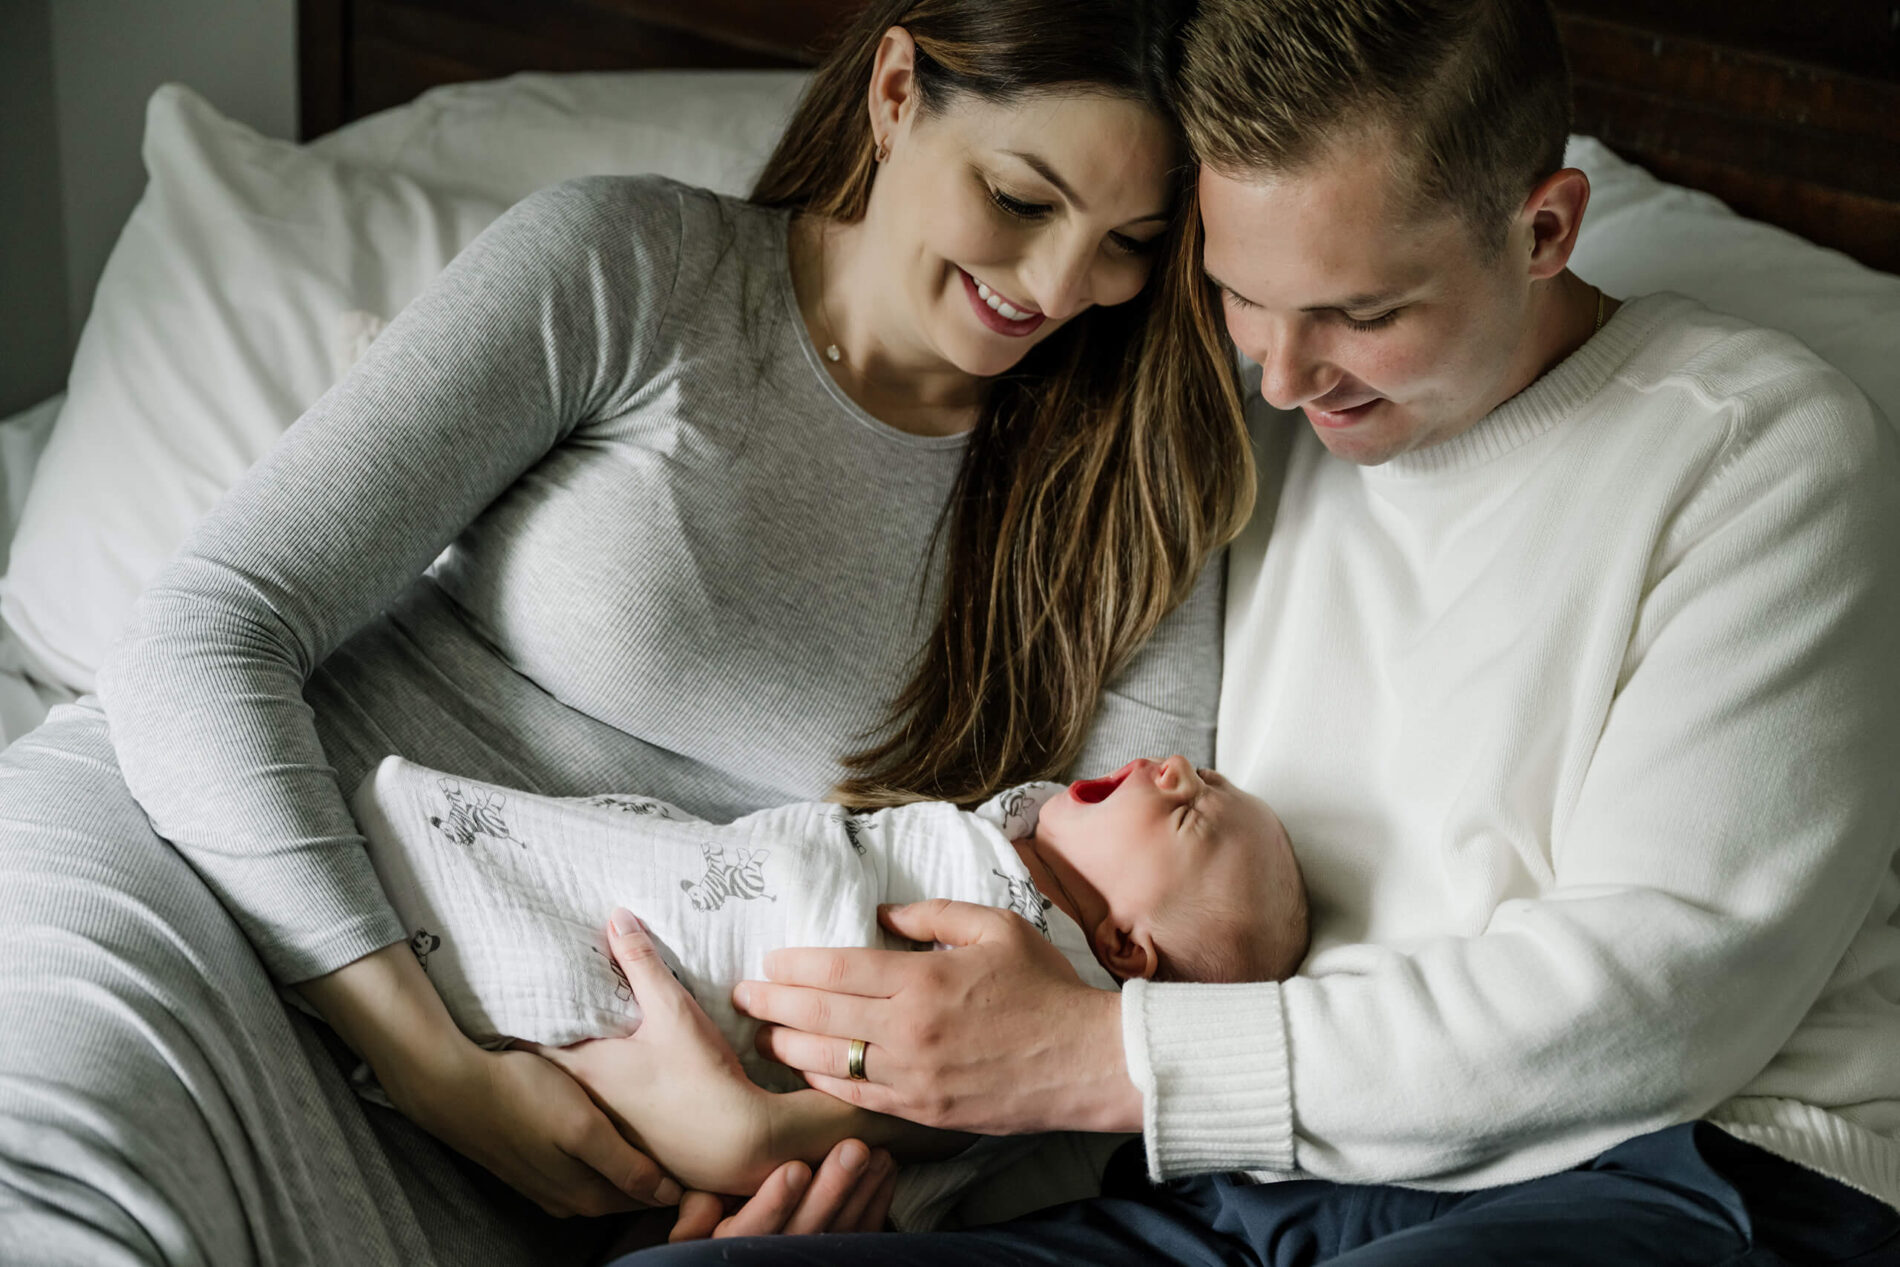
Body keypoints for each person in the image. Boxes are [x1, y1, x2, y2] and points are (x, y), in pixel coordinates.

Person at [639, 0, 1900, 1262]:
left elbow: (1656, 1010)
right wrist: (819, 1141)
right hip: (1231, 1189)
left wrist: (1097, 1058)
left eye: (1362, 312)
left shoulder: (1756, 452)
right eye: (1241, 293)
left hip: (1672, 1168)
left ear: (1545, 228)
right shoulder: (1238, 436)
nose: (1287, 375)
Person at [0, 1, 1256, 1262]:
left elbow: (1120, 998)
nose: (1056, 288)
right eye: (1019, 198)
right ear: (892, 94)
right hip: (215, 882)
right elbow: (209, 630)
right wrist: (434, 1064)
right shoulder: (637, 268)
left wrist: (776, 1138)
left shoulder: (1133, 497)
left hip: (588, 1160)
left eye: (1128, 243)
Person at [346, 752, 1305, 1217]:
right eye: (1202, 774)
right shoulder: (1006, 830)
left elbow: (967, 1111)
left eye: (1190, 817)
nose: (1176, 768)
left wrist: (773, 1134)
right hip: (728, 897)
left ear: (1126, 952)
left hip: (749, 1002)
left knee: (598, 949)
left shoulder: (1047, 972)